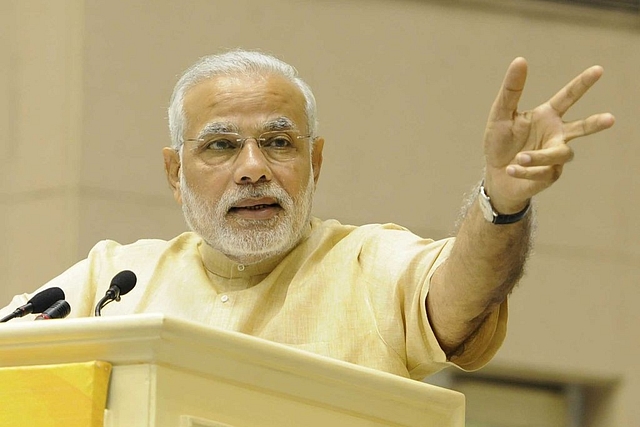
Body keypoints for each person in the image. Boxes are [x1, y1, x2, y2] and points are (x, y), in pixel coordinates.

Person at [0, 50, 614, 380]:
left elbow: (464, 290)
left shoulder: (370, 264)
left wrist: (502, 203)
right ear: (173, 171)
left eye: (278, 142)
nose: (252, 168)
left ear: (315, 161)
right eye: (219, 145)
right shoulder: (113, 281)